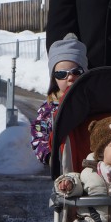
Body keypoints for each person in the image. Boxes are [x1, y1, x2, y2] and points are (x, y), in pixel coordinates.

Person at [30, 33, 88, 166]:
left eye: (76, 72)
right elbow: (39, 132)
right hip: (64, 163)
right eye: (61, 74)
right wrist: (49, 155)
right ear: (54, 79)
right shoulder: (49, 108)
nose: (70, 78)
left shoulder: (93, 103)